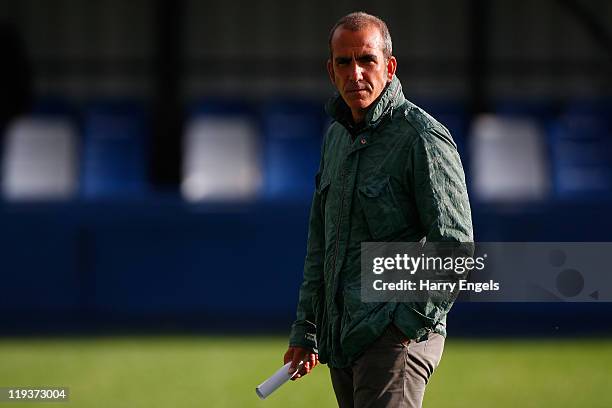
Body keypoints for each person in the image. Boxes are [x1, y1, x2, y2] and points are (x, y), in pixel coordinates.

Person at [283, 11, 473, 408]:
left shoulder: (421, 137)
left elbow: (455, 248)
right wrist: (307, 329)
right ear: (330, 70)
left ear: (389, 66)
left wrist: (404, 326)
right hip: (344, 338)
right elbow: (322, 243)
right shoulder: (336, 138)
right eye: (344, 62)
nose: (355, 73)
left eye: (366, 59)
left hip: (394, 340)